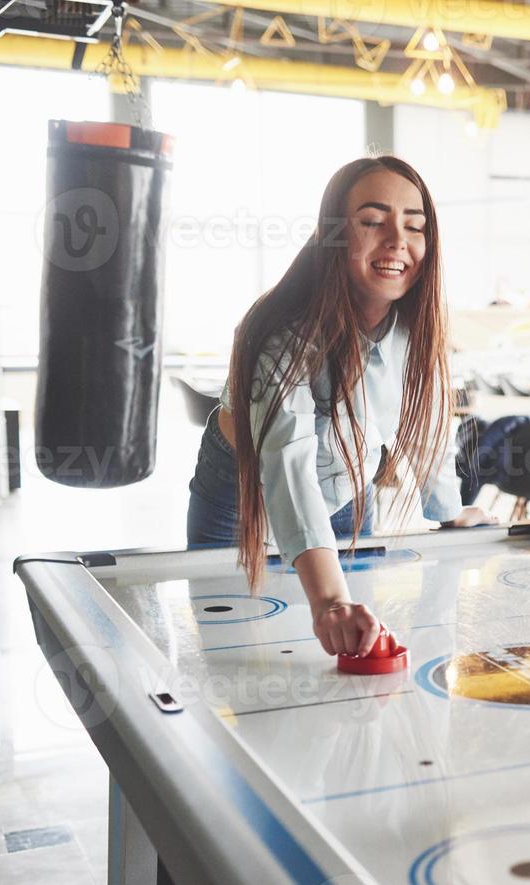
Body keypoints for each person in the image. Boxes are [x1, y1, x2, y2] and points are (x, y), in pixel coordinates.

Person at [187, 155, 492, 658]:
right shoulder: (278, 331)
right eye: (372, 222)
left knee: (353, 639)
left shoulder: (419, 326)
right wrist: (327, 600)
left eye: (414, 226)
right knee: (232, 650)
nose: (397, 241)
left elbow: (424, 426)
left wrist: (449, 514)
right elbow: (288, 465)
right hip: (242, 496)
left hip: (350, 486)